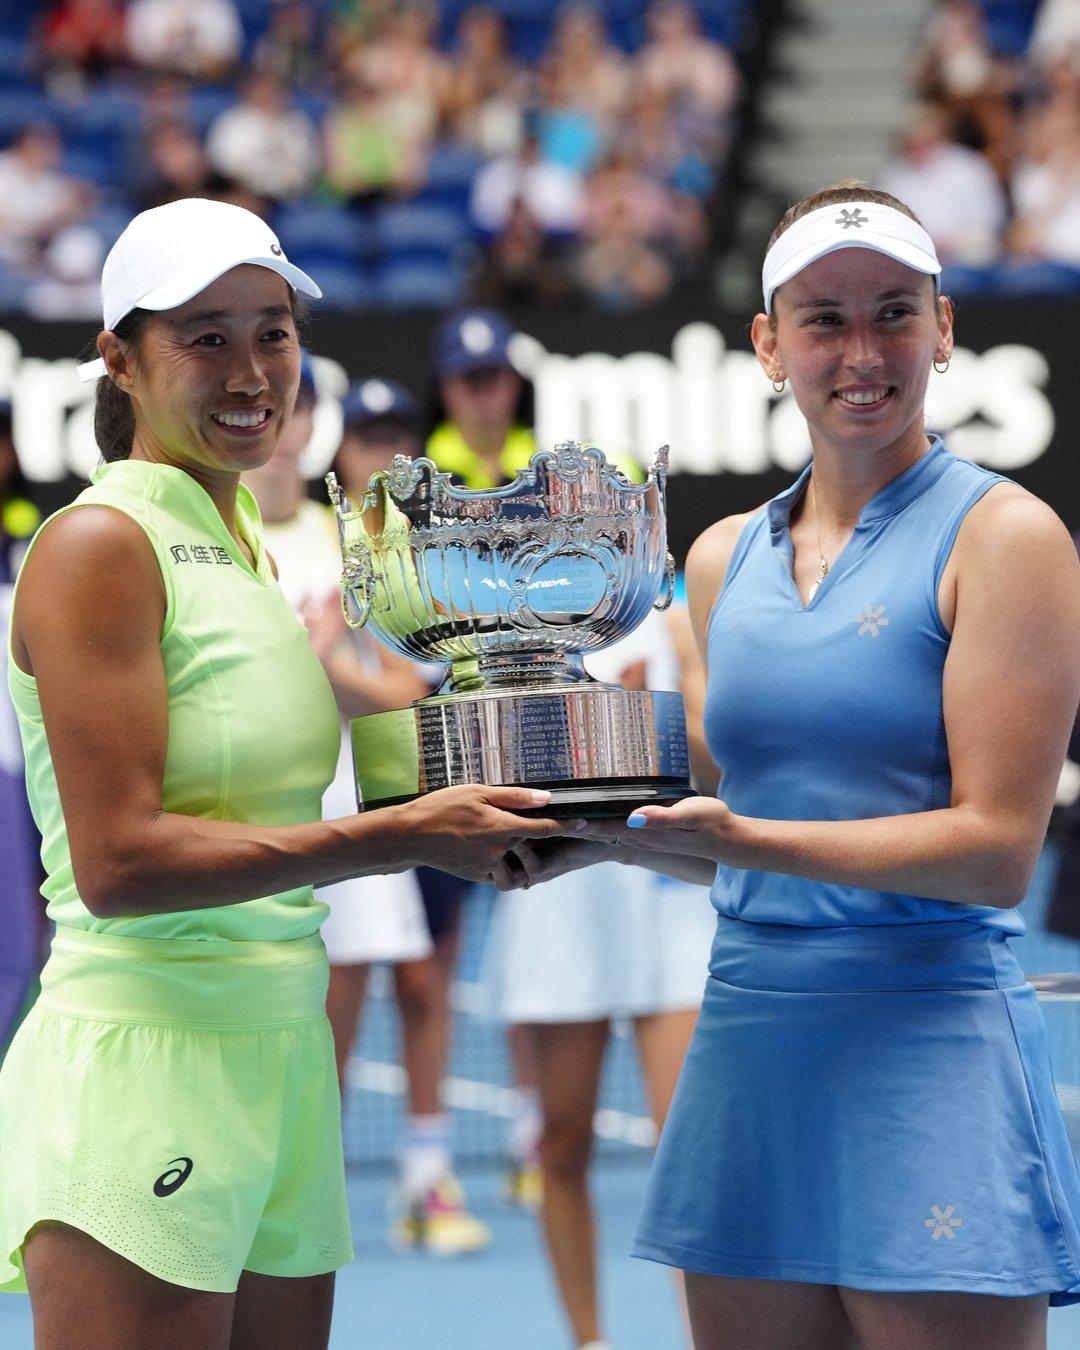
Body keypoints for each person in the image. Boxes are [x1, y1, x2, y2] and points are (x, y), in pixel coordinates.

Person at [505, 183, 1080, 1349]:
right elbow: (730, 832)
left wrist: (742, 841)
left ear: (945, 328)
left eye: (893, 314)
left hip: (929, 1054)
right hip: (750, 1055)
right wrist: (583, 831)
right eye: (823, 318)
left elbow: (995, 855)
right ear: (769, 344)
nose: (861, 352)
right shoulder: (719, 561)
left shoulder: (1008, 539)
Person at [0, 196, 563, 1349]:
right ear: (119, 359)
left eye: (272, 331)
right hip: (149, 1063)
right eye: (205, 337)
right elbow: (118, 864)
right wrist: (403, 841)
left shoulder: (248, 540)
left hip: (285, 1051)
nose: (254, 369)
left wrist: (539, 791)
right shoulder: (101, 545)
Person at [262, 372, 493, 1255]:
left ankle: (339, 1195)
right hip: (242, 818)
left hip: (348, 815)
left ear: (313, 424)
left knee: (340, 1021)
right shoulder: (221, 539)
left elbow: (406, 689)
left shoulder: (351, 545)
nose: (282, 428)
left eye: (298, 408)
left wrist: (332, 669)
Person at [483, 604, 715, 1350]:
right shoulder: (508, 631)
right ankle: (589, 1341)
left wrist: (654, 728)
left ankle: (705, 1334)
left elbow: (716, 767)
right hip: (560, 904)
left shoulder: (674, 623)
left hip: (668, 901)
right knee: (562, 1140)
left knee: (687, 1147)